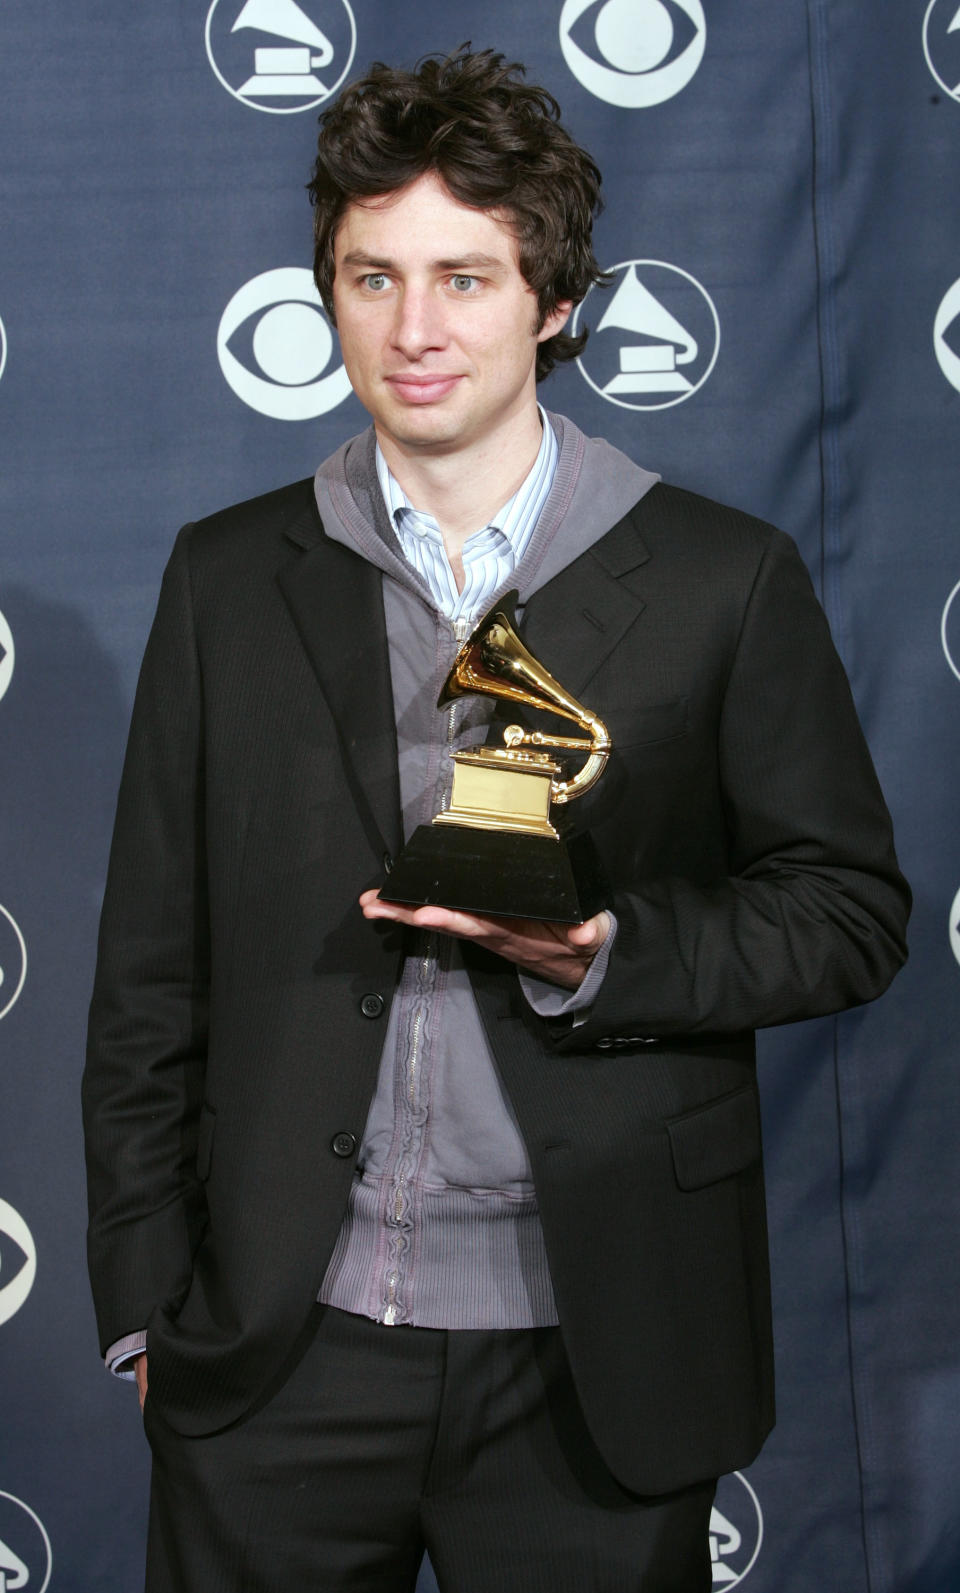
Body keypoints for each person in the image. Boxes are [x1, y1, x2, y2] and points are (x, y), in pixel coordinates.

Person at [82, 46, 910, 1593]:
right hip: (277, 1356)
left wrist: (604, 951)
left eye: (464, 276)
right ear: (324, 293)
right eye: (370, 275)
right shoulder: (225, 578)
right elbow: (145, 978)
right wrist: (148, 1306)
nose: (412, 328)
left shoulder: (725, 579)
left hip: (594, 1358)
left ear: (553, 301)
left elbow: (851, 910)